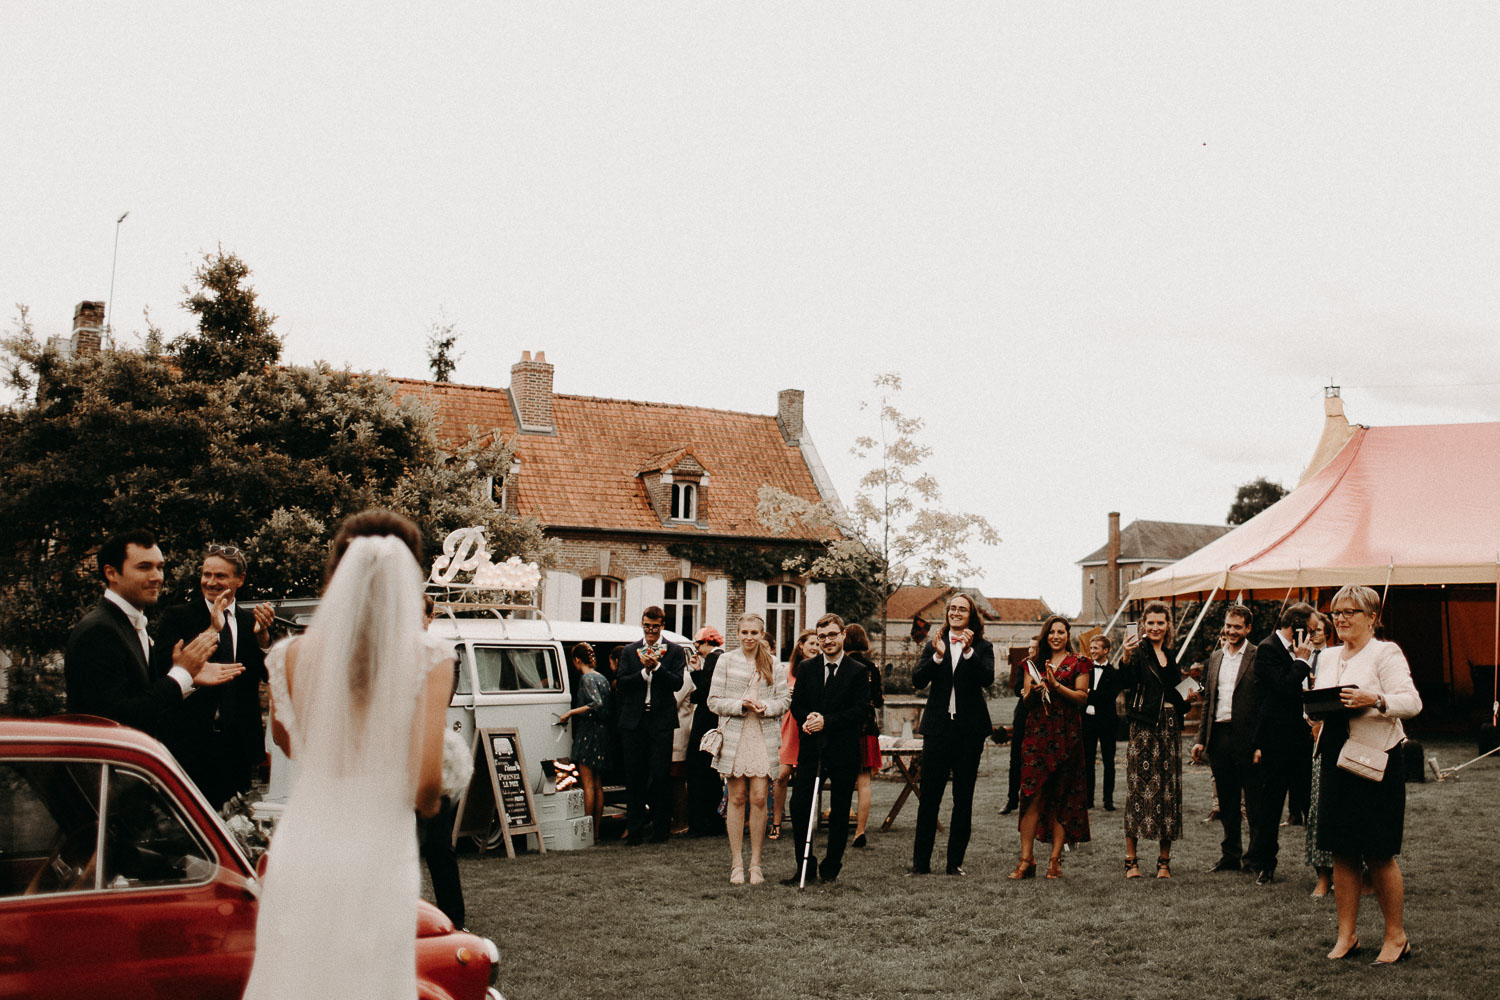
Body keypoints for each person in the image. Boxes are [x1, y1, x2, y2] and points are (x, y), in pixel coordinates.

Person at [244, 509, 452, 999]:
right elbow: (425, 785)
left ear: (336, 572)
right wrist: (434, 794)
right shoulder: (429, 656)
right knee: (369, 976)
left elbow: (290, 745)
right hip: (378, 842)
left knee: (295, 973)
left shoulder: (287, 655)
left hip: (305, 839)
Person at [1313, 586, 1421, 965]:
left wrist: (1373, 699)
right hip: (1335, 759)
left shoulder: (1385, 653)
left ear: (1372, 617)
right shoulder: (1325, 656)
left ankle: (1396, 937)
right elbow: (1322, 701)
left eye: (1350, 611)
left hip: (1377, 762)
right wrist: (1312, 713)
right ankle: (1347, 936)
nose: (1340, 618)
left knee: (1378, 852)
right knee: (1342, 850)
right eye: (1336, 612)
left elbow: (1411, 702)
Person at [65, 529, 235, 736]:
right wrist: (181, 674)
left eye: (160, 567)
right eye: (144, 567)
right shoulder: (99, 631)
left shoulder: (130, 625)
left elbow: (146, 698)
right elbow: (117, 719)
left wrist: (188, 677)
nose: (156, 577)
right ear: (111, 573)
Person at [150, 543, 276, 808]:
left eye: (220, 576)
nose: (211, 582)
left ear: (240, 579)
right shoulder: (177, 617)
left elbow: (268, 676)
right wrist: (211, 629)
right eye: (206, 574)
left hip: (238, 747)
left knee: (235, 825)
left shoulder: (248, 622)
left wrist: (264, 638)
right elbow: (161, 671)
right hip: (190, 745)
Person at [906, 594, 994, 876]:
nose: (956, 612)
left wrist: (968, 652)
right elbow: (918, 680)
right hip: (938, 730)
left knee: (963, 797)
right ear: (947, 613)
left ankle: (954, 863)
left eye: (962, 609)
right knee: (929, 797)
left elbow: (987, 679)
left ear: (971, 615)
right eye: (952, 608)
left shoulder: (983, 646)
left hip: (969, 732)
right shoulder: (936, 643)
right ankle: (921, 864)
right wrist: (938, 656)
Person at [784, 613, 869, 885]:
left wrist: (827, 721)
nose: (827, 641)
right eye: (822, 637)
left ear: (843, 635)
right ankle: (805, 864)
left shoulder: (858, 671)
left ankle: (831, 866)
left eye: (832, 635)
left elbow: (860, 711)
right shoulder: (807, 668)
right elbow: (796, 704)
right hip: (812, 749)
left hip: (843, 750)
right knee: (799, 806)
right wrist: (807, 719)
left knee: (840, 810)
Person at [706, 614, 790, 884]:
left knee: (758, 798)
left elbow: (784, 699)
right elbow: (713, 701)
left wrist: (767, 708)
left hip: (763, 735)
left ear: (762, 634)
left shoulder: (774, 664)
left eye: (754, 632)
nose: (749, 637)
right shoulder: (726, 660)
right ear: (737, 634)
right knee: (736, 798)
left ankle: (756, 864)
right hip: (735, 736)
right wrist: (741, 705)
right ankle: (736, 864)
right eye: (744, 632)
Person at [1009, 615, 1089, 879]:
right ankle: (1026, 859)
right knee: (1031, 795)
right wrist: (1033, 692)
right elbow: (1027, 702)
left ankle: (1055, 860)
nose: (1056, 636)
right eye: (1052, 632)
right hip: (1037, 737)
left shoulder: (1079, 663)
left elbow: (1081, 698)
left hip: (1067, 737)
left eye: (1061, 632)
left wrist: (1056, 686)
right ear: (1046, 635)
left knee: (1063, 798)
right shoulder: (1031, 665)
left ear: (1068, 635)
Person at [1190, 604, 1263, 876]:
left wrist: (1260, 744)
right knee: (1228, 802)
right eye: (1228, 626)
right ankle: (1230, 855)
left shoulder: (1258, 656)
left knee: (1255, 803)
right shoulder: (1216, 657)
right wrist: (1200, 739)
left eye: (1237, 627)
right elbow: (1209, 701)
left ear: (1248, 628)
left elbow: (1263, 703)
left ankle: (1254, 858)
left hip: (1248, 738)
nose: (1231, 631)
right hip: (1219, 737)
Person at [1249, 602, 1317, 885]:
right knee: (1271, 804)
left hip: (1302, 738)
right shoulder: (1267, 649)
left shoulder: (1307, 652)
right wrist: (1301, 662)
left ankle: (1322, 865)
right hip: (1276, 740)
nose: (1313, 637)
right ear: (1297, 628)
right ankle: (1266, 864)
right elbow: (1284, 687)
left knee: (1308, 803)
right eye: (1310, 630)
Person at [1119, 602, 1186, 879]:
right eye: (1151, 623)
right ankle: (1131, 861)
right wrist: (1124, 655)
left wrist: (1187, 696)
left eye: (1161, 623)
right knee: (1138, 790)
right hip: (1144, 727)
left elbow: (1174, 693)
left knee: (1168, 792)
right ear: (1143, 625)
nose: (1156, 627)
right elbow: (1125, 682)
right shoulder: (1136, 653)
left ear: (1167, 625)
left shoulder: (1170, 655)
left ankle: (1163, 862)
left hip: (1169, 728)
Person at [615, 606, 687, 844]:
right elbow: (622, 684)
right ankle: (634, 831)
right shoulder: (629, 651)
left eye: (655, 626)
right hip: (634, 722)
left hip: (661, 722)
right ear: (642, 625)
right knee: (634, 776)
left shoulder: (675, 651)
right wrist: (644, 674)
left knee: (660, 776)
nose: (651, 631)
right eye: (647, 626)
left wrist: (656, 667)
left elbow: (677, 683)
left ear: (662, 625)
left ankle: (660, 830)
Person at [418, 594, 464, 927]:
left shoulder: (442, 656)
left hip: (431, 751)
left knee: (438, 846)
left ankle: (453, 917)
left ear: (430, 617)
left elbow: (439, 704)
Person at [557, 642, 611, 839]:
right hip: (603, 733)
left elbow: (596, 703)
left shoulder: (586, 678)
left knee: (587, 784)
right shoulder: (603, 678)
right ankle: (596, 831)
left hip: (589, 732)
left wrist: (570, 712)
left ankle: (587, 832)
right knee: (598, 785)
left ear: (577, 660)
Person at [772, 628, 819, 840]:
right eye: (812, 644)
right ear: (801, 645)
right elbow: (775, 695)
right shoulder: (787, 670)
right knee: (781, 775)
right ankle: (776, 822)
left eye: (818, 644)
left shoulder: (819, 669)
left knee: (804, 779)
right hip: (788, 725)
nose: (815, 648)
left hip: (808, 726)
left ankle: (806, 822)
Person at [843, 623, 884, 850]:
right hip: (867, 728)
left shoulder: (842, 665)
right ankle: (860, 830)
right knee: (864, 781)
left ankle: (840, 823)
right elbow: (878, 700)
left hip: (845, 727)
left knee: (843, 779)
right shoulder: (872, 667)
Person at [1303, 611, 1335, 897]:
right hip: (1312, 734)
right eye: (1309, 630)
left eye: (1318, 630)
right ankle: (1322, 874)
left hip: (1335, 734)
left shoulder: (1335, 657)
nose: (1313, 634)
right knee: (1316, 805)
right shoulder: (1301, 657)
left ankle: (1353, 871)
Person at [685, 627, 726, 837]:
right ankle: (711, 820)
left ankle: (702, 822)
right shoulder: (719, 658)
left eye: (697, 644)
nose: (696, 648)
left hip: (705, 723)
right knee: (709, 774)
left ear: (706, 642)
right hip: (712, 721)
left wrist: (696, 674)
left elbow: (705, 692)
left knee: (699, 772)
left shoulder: (713, 659)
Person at [1082, 634, 1121, 811]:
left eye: (1096, 648)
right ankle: (1088, 799)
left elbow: (1109, 697)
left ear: (1106, 650)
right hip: (1088, 723)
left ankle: (1108, 800)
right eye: (1091, 649)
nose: (1092, 652)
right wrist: (1090, 693)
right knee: (1087, 761)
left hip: (1107, 723)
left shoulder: (1114, 674)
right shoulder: (1085, 671)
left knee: (1108, 762)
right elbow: (1080, 692)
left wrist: (1089, 693)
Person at [1001, 639, 1038, 815]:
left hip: (1041, 716)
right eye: (1029, 647)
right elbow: (1017, 689)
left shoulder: (1048, 665)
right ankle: (1011, 799)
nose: (1030, 650)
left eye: (1034, 647)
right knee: (1016, 758)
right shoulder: (1024, 666)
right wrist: (1026, 688)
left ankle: (1035, 799)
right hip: (1023, 715)